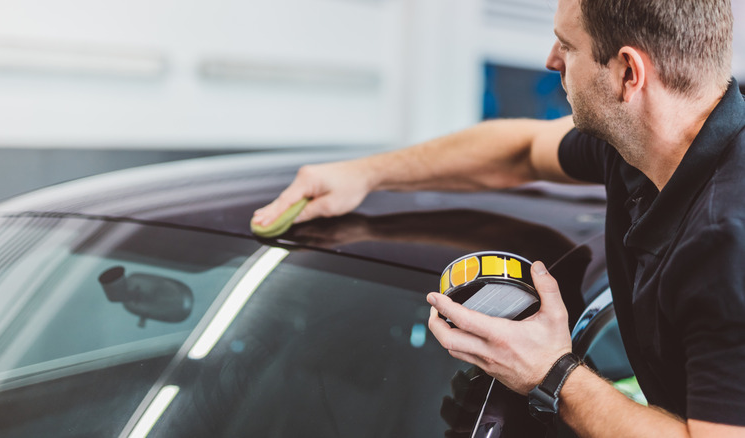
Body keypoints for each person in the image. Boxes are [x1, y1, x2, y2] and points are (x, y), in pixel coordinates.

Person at [252, 0, 745, 435]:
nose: (551, 61)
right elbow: (521, 151)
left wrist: (551, 373)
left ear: (627, 74)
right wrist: (363, 174)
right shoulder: (644, 142)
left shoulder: (725, 245)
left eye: (566, 46)